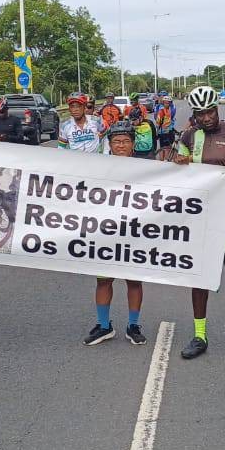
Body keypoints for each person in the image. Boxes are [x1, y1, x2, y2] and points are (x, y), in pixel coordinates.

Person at [174, 86, 225, 365]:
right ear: (194, 115)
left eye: (210, 111)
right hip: (199, 218)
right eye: (200, 113)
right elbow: (175, 172)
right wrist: (179, 164)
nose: (206, 117)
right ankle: (200, 336)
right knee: (199, 278)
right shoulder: (187, 136)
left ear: (217, 110)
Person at [84, 119, 148, 347]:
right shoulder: (101, 168)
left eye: (126, 141)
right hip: (106, 232)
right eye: (116, 141)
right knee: (103, 280)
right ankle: (103, 326)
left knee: (134, 281)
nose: (121, 145)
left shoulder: (148, 169)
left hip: (135, 233)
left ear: (133, 145)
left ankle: (133, 325)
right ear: (109, 144)